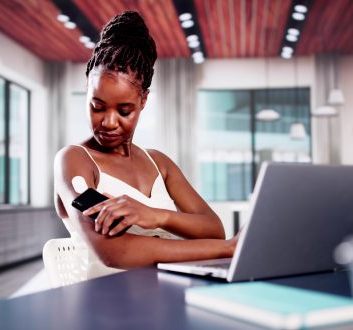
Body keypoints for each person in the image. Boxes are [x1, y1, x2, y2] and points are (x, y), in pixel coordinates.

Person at [54, 11, 237, 279]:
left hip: (168, 294)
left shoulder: (158, 163)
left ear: (144, 101)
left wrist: (156, 216)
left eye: (125, 110)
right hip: (103, 307)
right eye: (97, 107)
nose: (109, 122)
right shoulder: (75, 161)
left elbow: (212, 227)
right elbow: (114, 251)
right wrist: (224, 250)